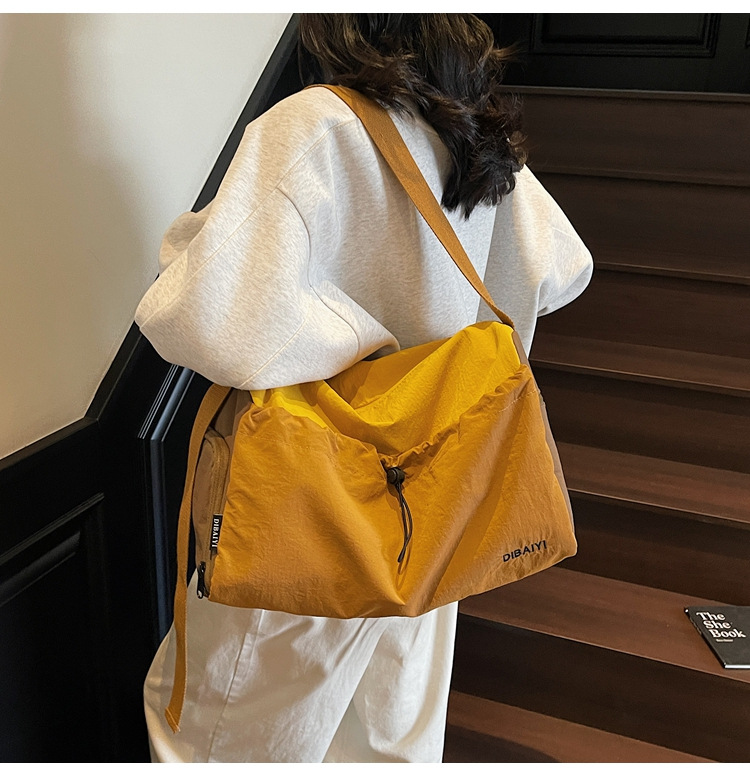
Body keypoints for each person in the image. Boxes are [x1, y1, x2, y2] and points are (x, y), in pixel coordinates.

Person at [135, 13, 593, 763]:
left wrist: (327, 318)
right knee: (386, 744)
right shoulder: (470, 132)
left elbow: (202, 318)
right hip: (434, 497)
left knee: (214, 741)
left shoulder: (316, 125)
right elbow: (565, 269)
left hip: (313, 494)